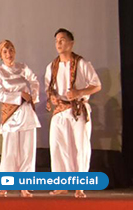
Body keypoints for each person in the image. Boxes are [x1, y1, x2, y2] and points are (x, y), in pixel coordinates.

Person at [45, 28, 101, 199]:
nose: (59, 44)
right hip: (60, 111)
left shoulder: (82, 63)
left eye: (62, 40)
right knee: (57, 146)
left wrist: (79, 92)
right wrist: (52, 97)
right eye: (56, 41)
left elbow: (97, 85)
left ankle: (79, 186)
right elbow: (49, 89)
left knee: (80, 146)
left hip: (78, 110)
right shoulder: (52, 66)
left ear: (71, 43)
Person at [0, 40, 39, 198]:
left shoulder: (22, 67)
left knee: (27, 150)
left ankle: (25, 185)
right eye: (5, 51)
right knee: (10, 150)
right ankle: (4, 183)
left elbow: (34, 81)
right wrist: (20, 95)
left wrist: (32, 96)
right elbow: (0, 95)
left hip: (26, 112)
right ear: (1, 55)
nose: (9, 54)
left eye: (11, 50)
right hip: (11, 114)